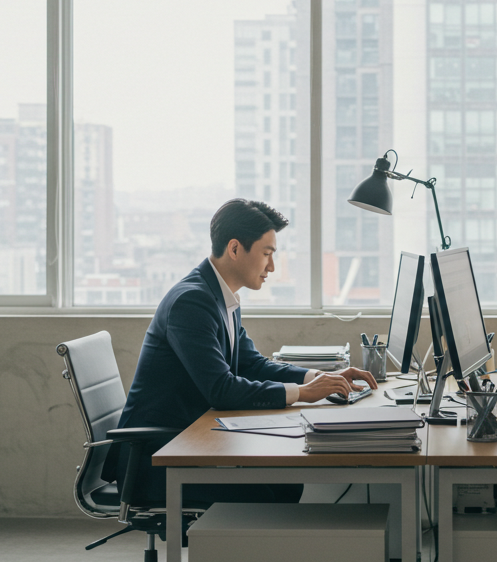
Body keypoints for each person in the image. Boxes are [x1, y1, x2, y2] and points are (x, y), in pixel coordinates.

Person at [105, 198, 377, 504]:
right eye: (267, 254)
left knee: (286, 485)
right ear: (235, 249)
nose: (272, 266)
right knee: (270, 492)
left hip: (191, 441)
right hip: (157, 458)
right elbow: (220, 389)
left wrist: (320, 377)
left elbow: (252, 364)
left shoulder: (222, 297)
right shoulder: (191, 302)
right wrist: (303, 393)